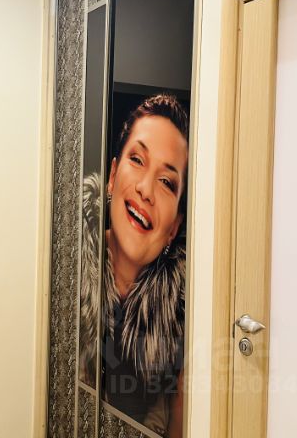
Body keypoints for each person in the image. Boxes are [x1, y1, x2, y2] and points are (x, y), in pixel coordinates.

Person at [79, 94, 188, 438]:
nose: (145, 189)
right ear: (112, 176)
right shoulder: (64, 271)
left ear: (174, 227)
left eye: (167, 182)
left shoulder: (184, 317)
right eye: (138, 160)